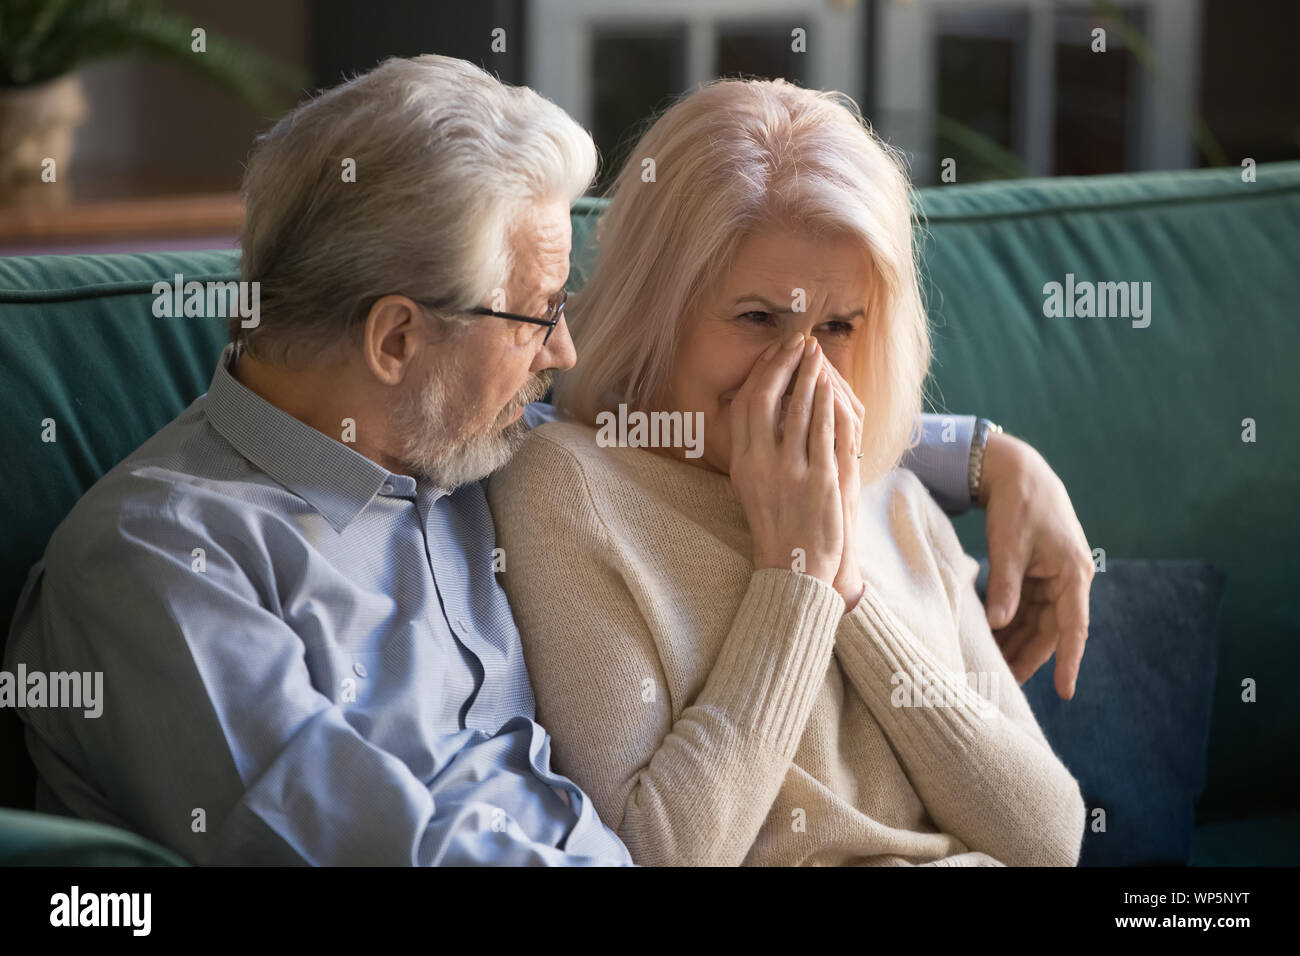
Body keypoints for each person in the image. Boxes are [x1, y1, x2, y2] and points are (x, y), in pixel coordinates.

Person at [5, 56, 1089, 867]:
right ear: (396, 339)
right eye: (536, 315)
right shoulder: (163, 564)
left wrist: (989, 460)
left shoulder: (462, 431)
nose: (563, 349)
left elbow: (686, 408)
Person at [487, 78, 1088, 866]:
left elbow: (1050, 837)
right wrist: (795, 583)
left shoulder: (897, 494)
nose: (803, 367)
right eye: (759, 318)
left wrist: (844, 585)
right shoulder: (569, 487)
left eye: (838, 325)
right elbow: (655, 853)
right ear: (655, 308)